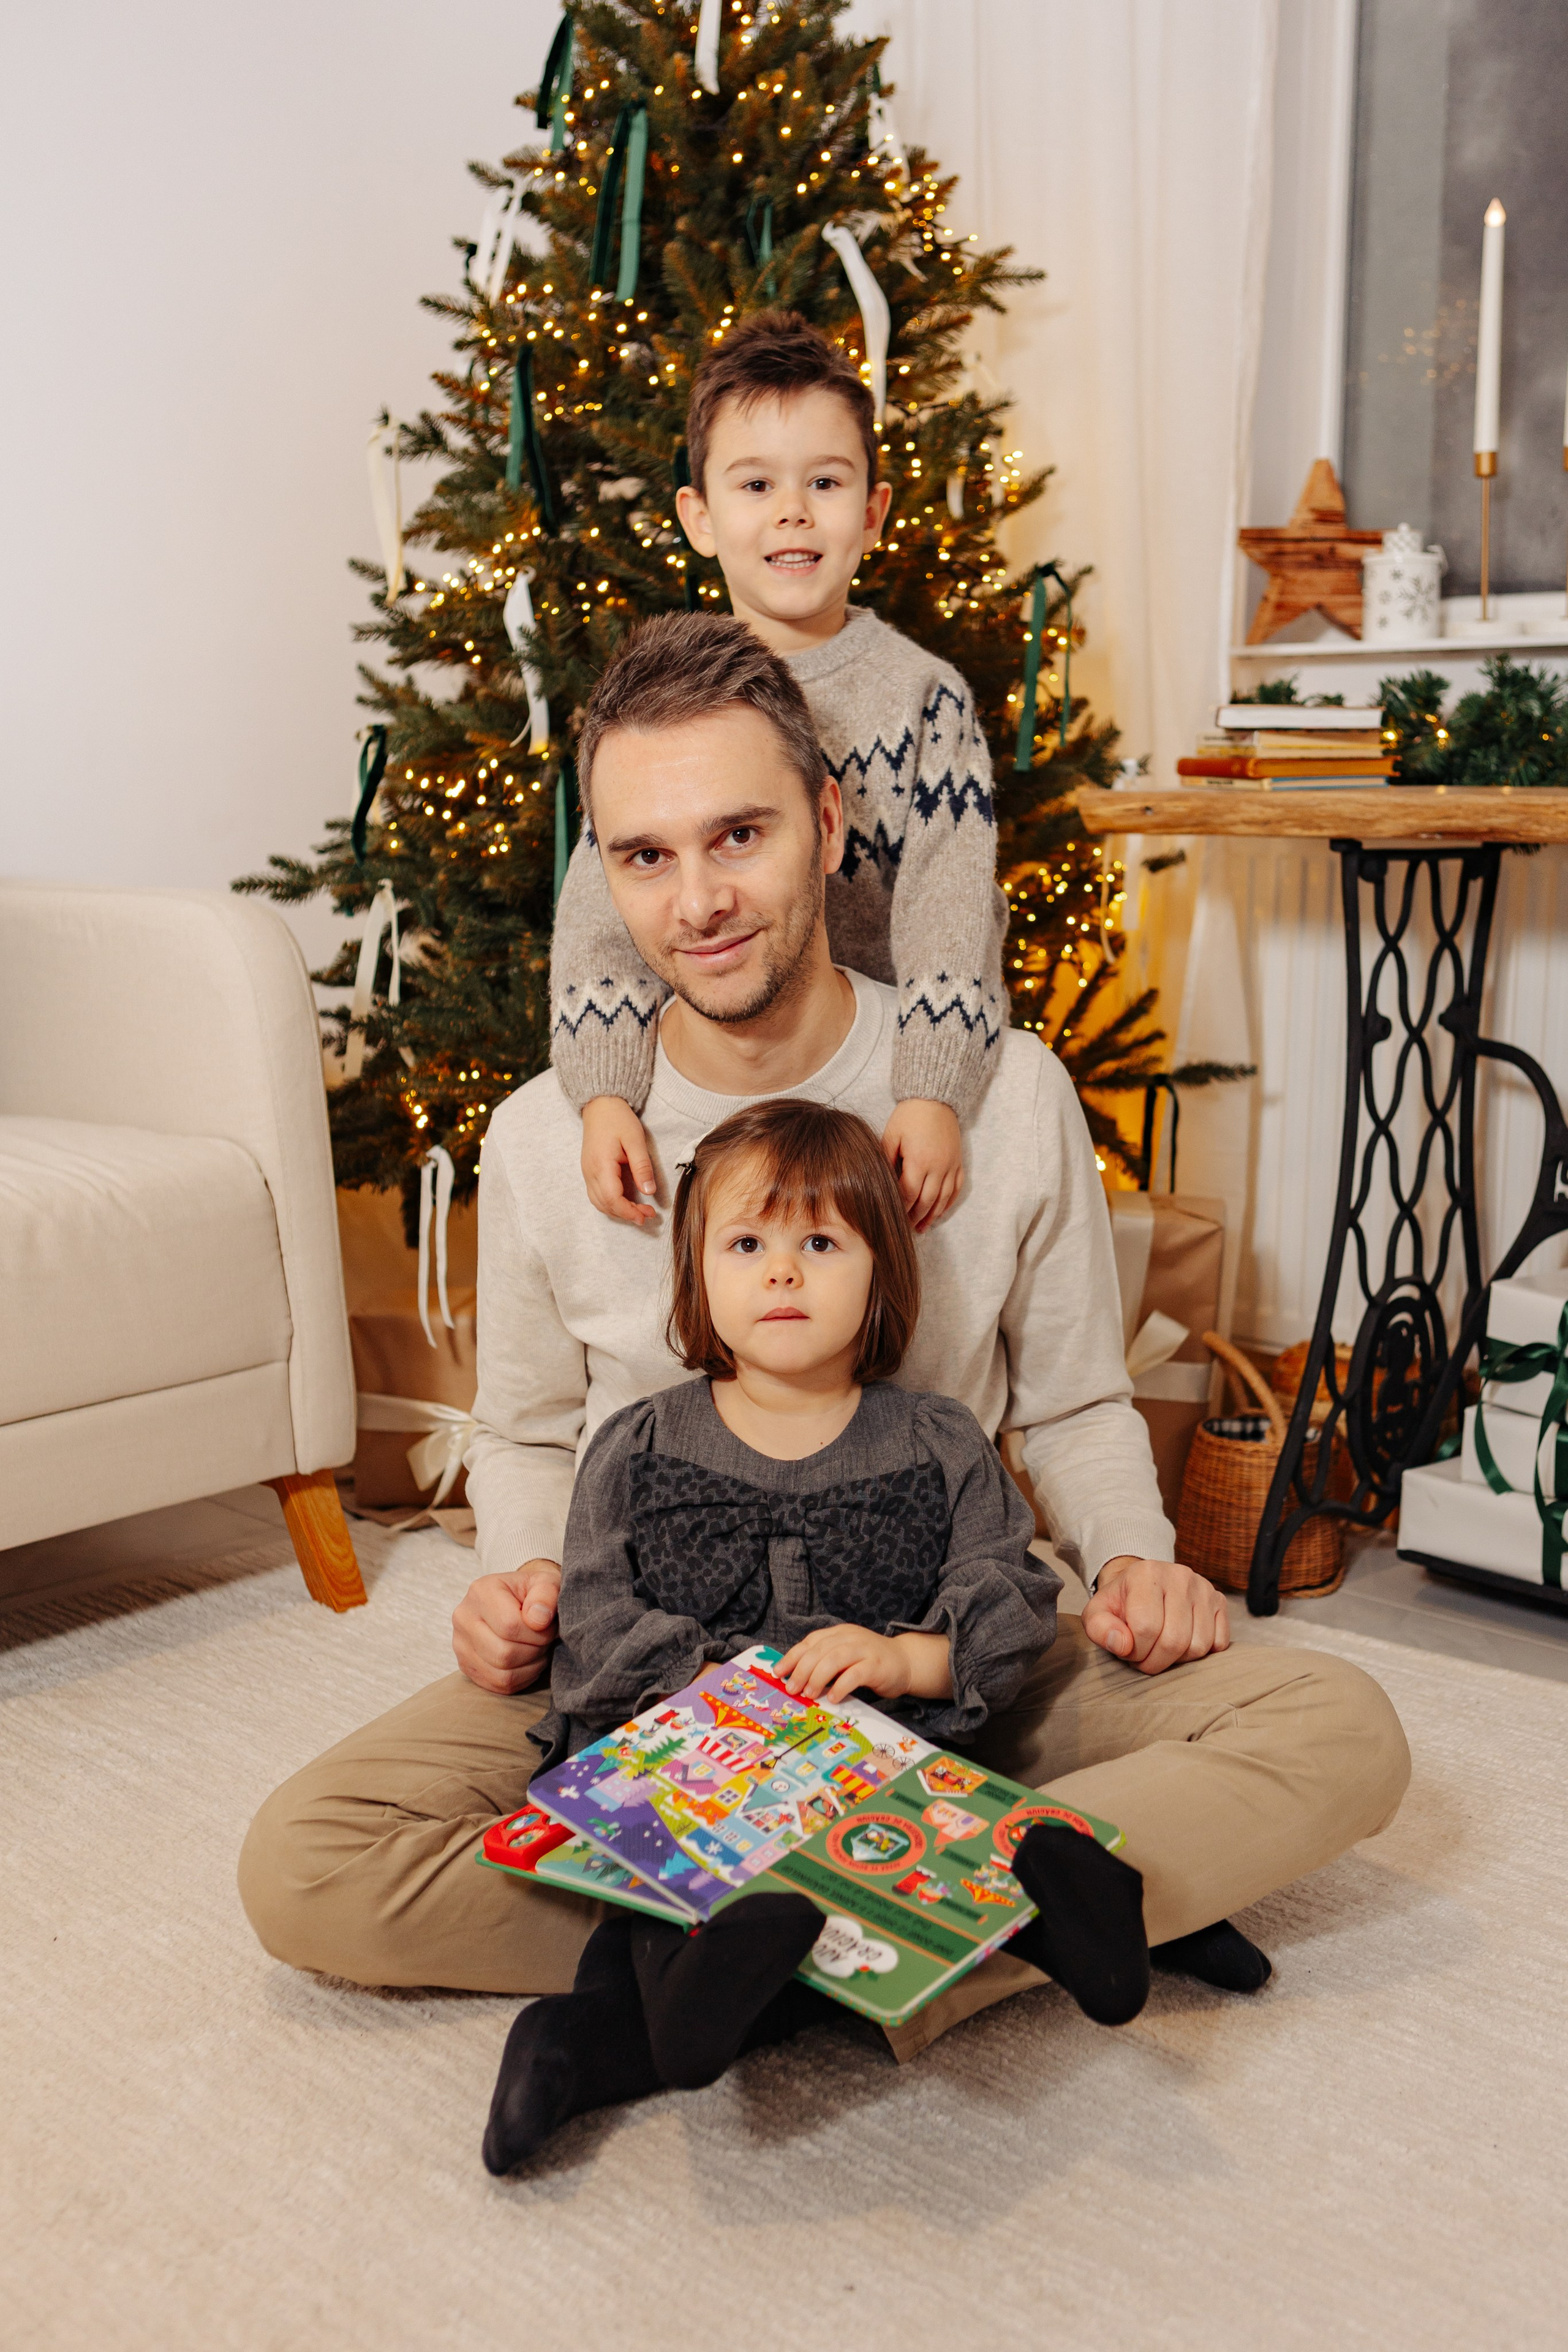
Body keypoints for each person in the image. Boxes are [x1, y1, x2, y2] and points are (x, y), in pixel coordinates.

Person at [238, 611, 1409, 2073]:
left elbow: (1072, 1404)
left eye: (739, 835)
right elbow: (533, 1431)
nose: (698, 900)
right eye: (644, 856)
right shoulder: (547, 1138)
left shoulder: (1005, 1095)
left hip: (946, 1661)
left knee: (1336, 1725)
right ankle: (1004, 1920)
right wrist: (521, 1578)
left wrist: (1126, 1560)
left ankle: (737, 1963)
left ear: (828, 821)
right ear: (601, 873)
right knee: (308, 1862)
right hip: (655, 1683)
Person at [484, 1099, 1146, 2174]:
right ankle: (659, 2005)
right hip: (693, 1768)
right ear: (695, 1277)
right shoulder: (639, 1444)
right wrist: (706, 1694)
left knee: (926, 1859)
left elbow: (1009, 1582)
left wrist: (907, 1657)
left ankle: (1075, 1911)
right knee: (657, 1887)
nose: (782, 1274)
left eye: (821, 1244)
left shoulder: (936, 1440)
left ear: (882, 1274)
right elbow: (597, 1613)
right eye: (747, 1245)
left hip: (881, 1765)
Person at [550, 309, 1007, 1236]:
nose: (793, 510)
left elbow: (951, 903)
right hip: (718, 1066)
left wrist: (932, 1091)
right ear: (701, 517)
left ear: (873, 512)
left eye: (826, 481)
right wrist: (604, 1092)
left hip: (874, 1068)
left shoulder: (927, 698)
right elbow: (602, 915)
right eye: (756, 483)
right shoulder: (656, 712)